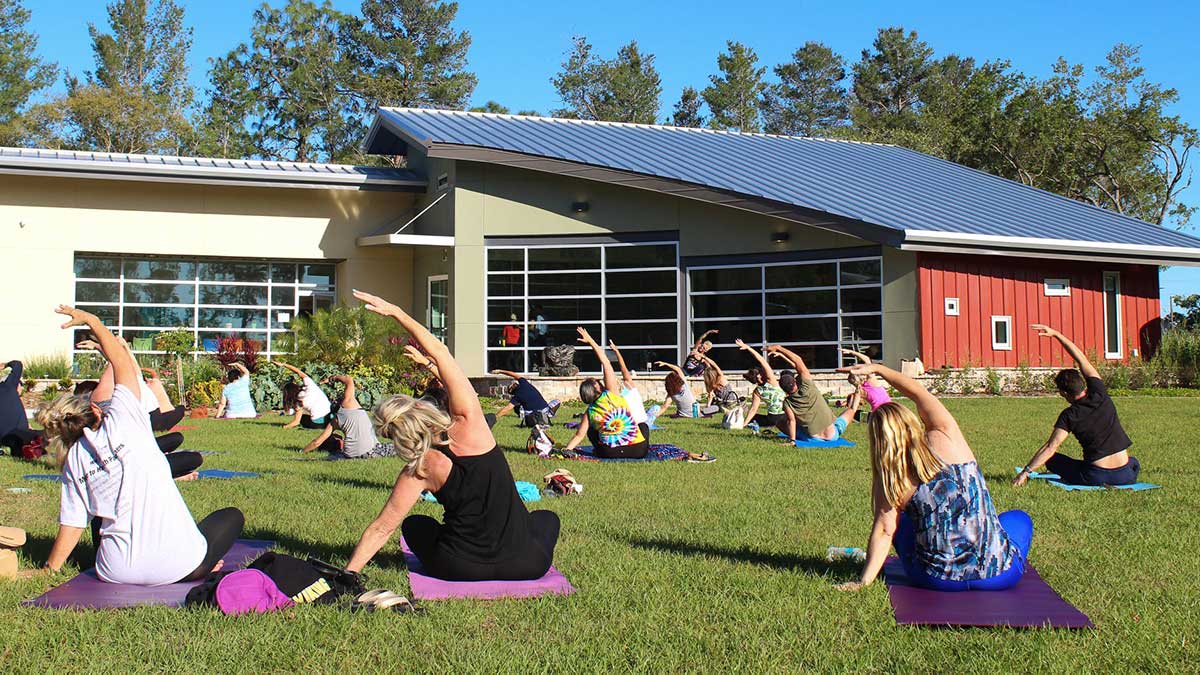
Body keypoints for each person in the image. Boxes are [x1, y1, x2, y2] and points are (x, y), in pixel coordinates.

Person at [344, 289, 559, 581]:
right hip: (527, 564)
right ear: (420, 407)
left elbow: (383, 527)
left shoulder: (418, 469)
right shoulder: (470, 423)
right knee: (546, 519)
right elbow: (442, 352)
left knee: (415, 525)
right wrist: (398, 312)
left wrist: (349, 573)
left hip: (459, 567)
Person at [37, 304, 244, 585]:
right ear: (98, 412)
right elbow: (121, 361)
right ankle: (200, 561)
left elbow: (73, 524)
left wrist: (50, 569)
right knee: (231, 516)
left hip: (114, 572)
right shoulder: (125, 419)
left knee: (104, 506)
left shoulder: (74, 459)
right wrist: (94, 321)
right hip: (180, 567)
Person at [834, 361, 1032, 592]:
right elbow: (919, 393)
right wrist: (879, 369)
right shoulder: (947, 436)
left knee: (900, 523)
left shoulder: (892, 479)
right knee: (1019, 519)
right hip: (998, 575)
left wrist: (863, 582)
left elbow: (885, 531)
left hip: (937, 580)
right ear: (911, 421)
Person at [1014, 324, 1140, 488]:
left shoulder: (1069, 415)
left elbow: (1051, 447)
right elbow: (1082, 359)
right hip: (1126, 475)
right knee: (1134, 461)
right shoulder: (1100, 393)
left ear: (1063, 393)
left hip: (1096, 476)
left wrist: (1026, 471)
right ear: (1083, 384)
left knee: (1053, 459)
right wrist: (1057, 334)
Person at [563, 328, 649, 459]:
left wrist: (567, 449)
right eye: (596, 381)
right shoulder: (611, 394)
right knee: (642, 426)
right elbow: (605, 362)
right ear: (596, 388)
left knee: (592, 430)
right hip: (637, 451)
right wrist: (591, 341)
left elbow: (579, 435)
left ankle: (599, 449)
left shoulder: (590, 411)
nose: (598, 380)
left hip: (609, 453)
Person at [767, 345, 860, 443]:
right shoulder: (808, 386)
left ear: (783, 390)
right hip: (832, 435)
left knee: (780, 422)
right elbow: (798, 361)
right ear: (795, 381)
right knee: (851, 410)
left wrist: (792, 440)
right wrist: (779, 348)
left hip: (813, 438)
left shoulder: (787, 403)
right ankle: (859, 389)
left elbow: (791, 421)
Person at [302, 375, 397, 459]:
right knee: (399, 446)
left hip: (350, 455)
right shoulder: (348, 403)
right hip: (371, 451)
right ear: (340, 403)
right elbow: (348, 380)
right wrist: (332, 378)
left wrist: (302, 451)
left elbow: (317, 442)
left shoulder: (335, 421)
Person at [608, 340, 658, 439]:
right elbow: (624, 368)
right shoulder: (631, 388)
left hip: (632, 427)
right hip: (644, 424)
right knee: (656, 408)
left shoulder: (614, 397)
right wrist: (616, 351)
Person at [736, 340, 787, 434]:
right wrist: (748, 348)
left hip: (772, 418)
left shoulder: (757, 391)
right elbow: (762, 361)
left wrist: (744, 424)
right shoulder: (771, 381)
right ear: (759, 375)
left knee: (754, 417)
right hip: (784, 416)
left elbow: (753, 409)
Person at [1, 360, 44, 458]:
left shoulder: (7, 391)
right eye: (21, 385)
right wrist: (6, 365)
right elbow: (17, 364)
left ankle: (25, 450)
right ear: (17, 384)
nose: (22, 389)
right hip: (17, 434)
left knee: (20, 446)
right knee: (47, 434)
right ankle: (33, 447)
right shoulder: (9, 386)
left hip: (5, 438)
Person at [491, 369, 559, 427]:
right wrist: (500, 371)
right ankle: (549, 414)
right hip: (544, 410)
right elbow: (514, 374)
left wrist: (495, 417)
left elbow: (507, 409)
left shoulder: (516, 397)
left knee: (518, 406)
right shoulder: (524, 383)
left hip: (531, 417)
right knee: (557, 401)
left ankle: (524, 414)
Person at [278, 362, 333, 430]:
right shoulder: (310, 386)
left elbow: (296, 422)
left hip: (318, 424)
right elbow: (298, 372)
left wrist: (284, 427)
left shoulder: (297, 401)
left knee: (303, 418)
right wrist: (284, 365)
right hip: (331, 418)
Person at [654, 361, 719, 418]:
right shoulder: (684, 384)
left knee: (673, 414)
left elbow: (665, 407)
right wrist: (665, 364)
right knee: (716, 408)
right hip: (696, 414)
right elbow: (678, 369)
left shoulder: (671, 394)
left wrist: (654, 416)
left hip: (682, 415)